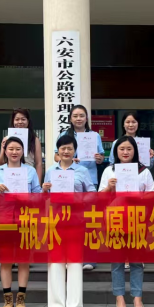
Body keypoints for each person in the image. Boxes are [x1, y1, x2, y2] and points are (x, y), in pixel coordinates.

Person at [99, 136, 154, 307]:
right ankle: (119, 296)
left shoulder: (143, 171)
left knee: (137, 261)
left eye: (129, 149)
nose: (125, 152)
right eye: (122, 149)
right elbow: (99, 198)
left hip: (137, 220)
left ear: (135, 151)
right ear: (116, 151)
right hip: (115, 219)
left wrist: (139, 196)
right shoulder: (109, 170)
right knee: (117, 261)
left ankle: (137, 296)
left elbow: (152, 195)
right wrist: (109, 188)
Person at [42, 135, 95, 307]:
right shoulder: (51, 171)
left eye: (69, 148)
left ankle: (74, 302)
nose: (66, 151)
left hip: (76, 218)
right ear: (58, 151)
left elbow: (92, 192)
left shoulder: (82, 171)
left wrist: (80, 198)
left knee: (75, 260)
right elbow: (44, 197)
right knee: (55, 260)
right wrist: (44, 190)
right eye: (63, 148)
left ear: (75, 151)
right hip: (55, 219)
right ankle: (57, 302)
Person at [0, 136, 42, 307]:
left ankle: (21, 298)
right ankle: (7, 299)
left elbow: (37, 194)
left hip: (25, 218)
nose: (14, 152)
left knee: (23, 260)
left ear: (23, 152)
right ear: (5, 151)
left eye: (18, 149)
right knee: (5, 260)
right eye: (11, 149)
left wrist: (30, 198)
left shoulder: (30, 171)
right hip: (4, 219)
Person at [57, 104, 104, 270]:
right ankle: (70, 256)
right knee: (69, 222)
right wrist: (70, 160)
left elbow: (101, 157)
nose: (78, 119)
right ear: (70, 118)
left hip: (90, 180)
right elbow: (56, 155)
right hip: (69, 182)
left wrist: (99, 158)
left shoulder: (94, 135)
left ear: (86, 118)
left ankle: (90, 259)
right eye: (75, 116)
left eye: (81, 115)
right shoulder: (64, 135)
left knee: (89, 220)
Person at [0, 107, 43, 182]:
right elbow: (1, 162)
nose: (20, 122)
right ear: (13, 121)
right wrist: (3, 148)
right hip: (10, 176)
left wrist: (37, 183)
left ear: (28, 121)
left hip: (28, 176)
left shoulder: (34, 139)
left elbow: (38, 163)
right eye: (17, 119)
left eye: (23, 119)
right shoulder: (6, 138)